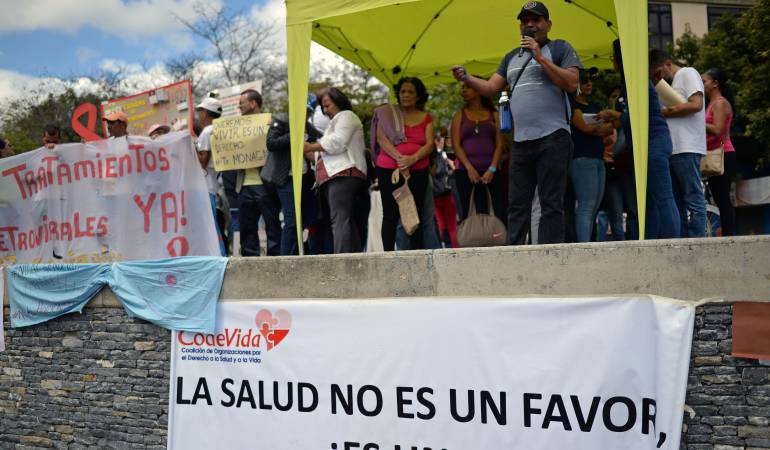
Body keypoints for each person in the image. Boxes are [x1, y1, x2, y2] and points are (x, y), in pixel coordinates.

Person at [452, 1, 581, 245]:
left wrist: (540, 57)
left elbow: (572, 83)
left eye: (536, 20)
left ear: (548, 24)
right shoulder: (511, 57)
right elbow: (491, 87)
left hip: (553, 137)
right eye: (525, 21)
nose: (530, 24)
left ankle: (549, 253)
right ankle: (516, 254)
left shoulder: (561, 48)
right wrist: (468, 78)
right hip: (522, 142)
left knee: (551, 202)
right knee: (517, 203)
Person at [598, 40, 680, 239]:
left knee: (662, 197)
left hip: (654, 141)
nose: (612, 63)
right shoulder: (633, 80)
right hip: (650, 142)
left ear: (620, 59)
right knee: (649, 200)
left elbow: (636, 117)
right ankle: (652, 243)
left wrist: (614, 115)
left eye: (613, 58)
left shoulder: (635, 81)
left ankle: (673, 245)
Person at [304, 88, 370, 253]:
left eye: (327, 105)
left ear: (338, 100)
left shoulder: (347, 116)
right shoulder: (334, 123)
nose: (326, 110)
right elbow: (324, 151)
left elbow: (338, 142)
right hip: (337, 175)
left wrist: (311, 146)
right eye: (323, 107)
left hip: (343, 174)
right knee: (346, 221)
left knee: (340, 220)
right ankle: (351, 258)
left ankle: (343, 261)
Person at [373, 77, 435, 251]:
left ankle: (417, 256)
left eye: (411, 92)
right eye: (403, 91)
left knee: (414, 214)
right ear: (398, 94)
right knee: (390, 215)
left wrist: (412, 159)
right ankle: (388, 256)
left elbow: (430, 144)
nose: (406, 95)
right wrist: (401, 159)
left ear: (418, 96)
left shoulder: (426, 117)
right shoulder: (387, 114)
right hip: (388, 169)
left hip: (418, 170)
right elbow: (381, 139)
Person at [653, 49, 707, 238]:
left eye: (659, 71)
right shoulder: (671, 83)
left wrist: (665, 112)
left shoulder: (688, 73)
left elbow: (695, 104)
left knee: (693, 198)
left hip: (687, 146)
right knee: (677, 202)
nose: (659, 76)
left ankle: (698, 240)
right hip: (673, 148)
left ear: (668, 63)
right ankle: (683, 241)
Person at [263, 95, 323, 255]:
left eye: (308, 112)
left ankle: (300, 253)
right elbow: (271, 143)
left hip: (305, 180)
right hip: (285, 179)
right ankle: (285, 260)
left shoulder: (309, 128)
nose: (305, 114)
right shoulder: (281, 119)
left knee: (307, 219)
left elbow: (323, 140)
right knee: (292, 221)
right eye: (303, 110)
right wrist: (294, 135)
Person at [569, 68, 614, 242]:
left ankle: (587, 242)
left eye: (590, 81)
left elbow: (612, 127)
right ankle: (584, 246)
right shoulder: (573, 105)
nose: (589, 84)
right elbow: (584, 127)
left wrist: (595, 130)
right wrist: (598, 129)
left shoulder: (595, 106)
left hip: (598, 158)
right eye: (584, 81)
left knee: (594, 206)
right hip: (581, 158)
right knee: (586, 206)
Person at [451, 82, 505, 224]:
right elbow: (456, 145)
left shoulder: (494, 115)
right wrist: (469, 168)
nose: (464, 90)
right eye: (462, 87)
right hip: (465, 173)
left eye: (468, 87)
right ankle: (472, 244)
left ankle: (497, 243)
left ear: (480, 90)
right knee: (469, 213)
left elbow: (500, 144)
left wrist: (492, 169)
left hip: (493, 173)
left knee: (497, 212)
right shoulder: (458, 116)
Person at [236, 89, 281, 256]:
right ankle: (250, 263)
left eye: (242, 103)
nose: (239, 107)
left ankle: (276, 260)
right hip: (244, 185)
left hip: (265, 184)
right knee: (246, 228)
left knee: (272, 225)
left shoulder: (271, 122)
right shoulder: (237, 128)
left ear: (253, 104)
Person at [702, 68, 737, 236]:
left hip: (723, 154)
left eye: (704, 81)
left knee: (722, 198)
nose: (701, 85)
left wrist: (696, 124)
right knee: (719, 197)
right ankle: (726, 234)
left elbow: (718, 129)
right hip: (714, 154)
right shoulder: (710, 104)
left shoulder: (720, 103)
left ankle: (729, 237)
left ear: (715, 83)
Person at [195, 97, 227, 256]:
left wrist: (191, 148)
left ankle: (219, 257)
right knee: (214, 224)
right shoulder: (217, 128)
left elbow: (203, 161)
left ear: (206, 113)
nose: (198, 115)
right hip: (214, 184)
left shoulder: (207, 131)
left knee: (211, 225)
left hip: (207, 186)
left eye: (200, 111)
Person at [432, 133, 459, 248]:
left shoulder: (431, 158)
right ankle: (455, 248)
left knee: (440, 223)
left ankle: (441, 247)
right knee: (452, 225)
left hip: (435, 194)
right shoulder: (443, 156)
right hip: (446, 193)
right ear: (439, 142)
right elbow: (452, 169)